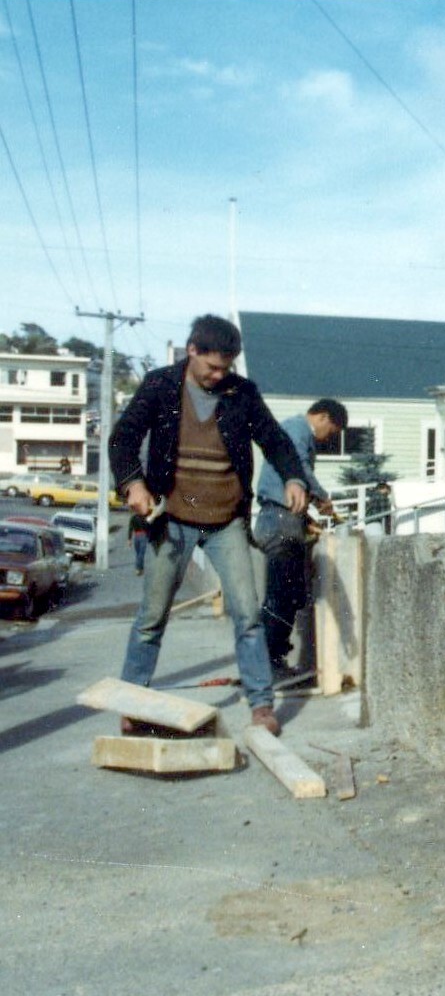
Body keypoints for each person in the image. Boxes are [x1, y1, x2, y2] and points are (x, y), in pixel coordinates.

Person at [109, 314, 309, 736]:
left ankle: (261, 705)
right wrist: (132, 484)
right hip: (172, 518)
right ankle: (131, 701)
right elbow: (123, 437)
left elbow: (275, 439)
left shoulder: (242, 392)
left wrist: (294, 476)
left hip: (225, 522)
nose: (219, 376)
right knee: (151, 617)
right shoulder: (160, 385)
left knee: (247, 615)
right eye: (212, 367)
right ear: (192, 350)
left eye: (226, 368)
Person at [254, 398, 348, 681]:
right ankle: (269, 665)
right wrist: (321, 497)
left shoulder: (296, 431)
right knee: (280, 595)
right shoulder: (297, 429)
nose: (327, 438)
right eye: (331, 431)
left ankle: (271, 662)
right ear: (323, 417)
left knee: (288, 594)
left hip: (284, 518)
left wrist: (306, 517)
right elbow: (298, 467)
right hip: (279, 519)